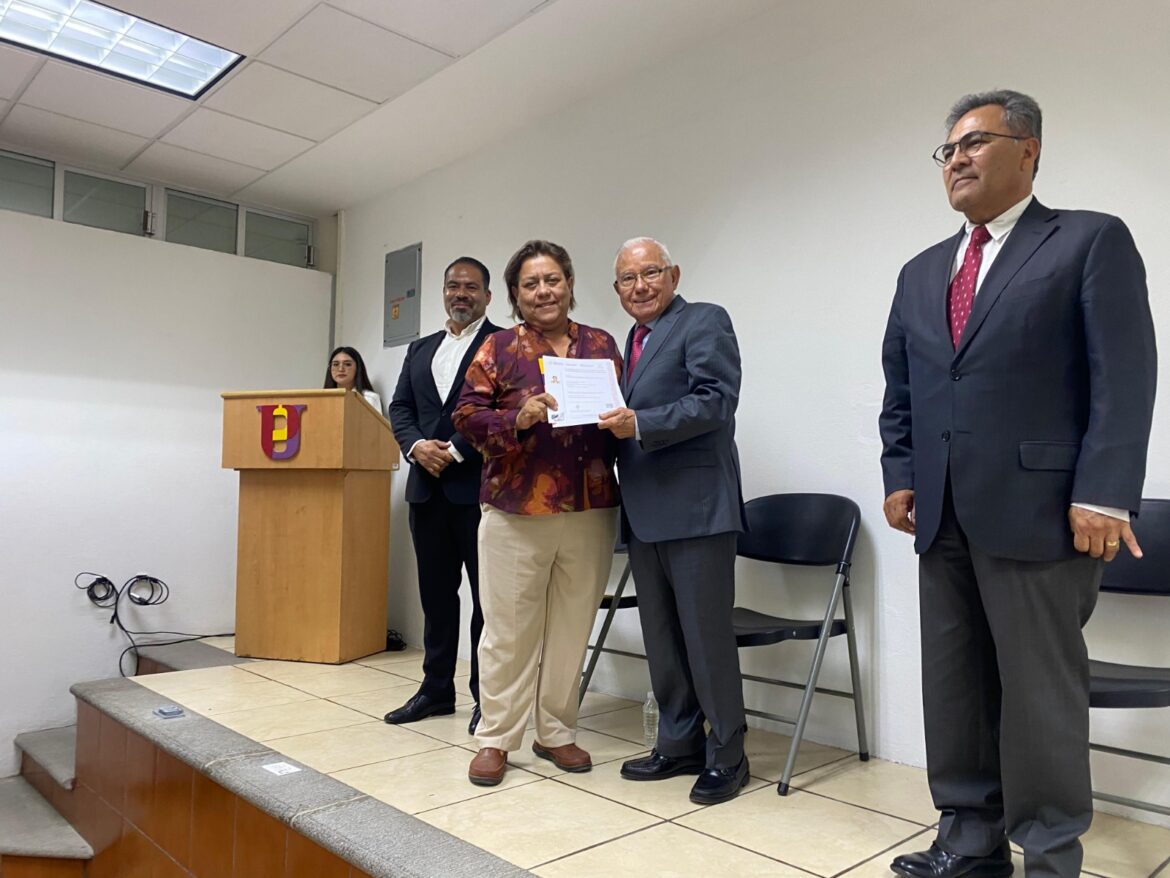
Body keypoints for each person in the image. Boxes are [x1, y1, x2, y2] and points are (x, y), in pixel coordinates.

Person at [879, 90, 1157, 878]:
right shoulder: (920, 271)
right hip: (941, 515)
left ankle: (1049, 854)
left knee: (1039, 695)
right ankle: (969, 841)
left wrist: (1103, 492)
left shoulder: (1088, 241)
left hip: (1043, 514)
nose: (956, 160)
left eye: (974, 143)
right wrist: (901, 473)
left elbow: (1124, 375)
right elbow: (903, 386)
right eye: (948, 150)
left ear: (1028, 150)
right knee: (955, 686)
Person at [453, 239, 621, 786]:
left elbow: (622, 412)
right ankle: (497, 738)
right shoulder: (498, 347)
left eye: (553, 280)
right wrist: (517, 418)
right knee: (508, 630)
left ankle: (556, 731)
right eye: (531, 284)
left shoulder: (601, 344)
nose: (544, 291)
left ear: (569, 284)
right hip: (515, 508)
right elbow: (465, 415)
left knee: (573, 627)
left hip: (591, 505)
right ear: (515, 295)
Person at [598, 237, 750, 806]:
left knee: (706, 639)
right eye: (627, 278)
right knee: (661, 639)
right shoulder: (630, 343)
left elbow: (717, 400)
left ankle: (728, 754)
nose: (639, 286)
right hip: (644, 512)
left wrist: (640, 423)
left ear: (674, 274)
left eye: (650, 272)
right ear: (617, 289)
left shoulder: (704, 320)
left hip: (697, 510)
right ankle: (679, 742)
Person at [384, 257, 501, 734]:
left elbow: (501, 410)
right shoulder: (420, 348)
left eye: (471, 287)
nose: (461, 294)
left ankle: (486, 698)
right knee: (435, 597)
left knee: (486, 601)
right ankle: (435, 690)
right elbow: (400, 407)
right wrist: (416, 447)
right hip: (426, 491)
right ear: (443, 292)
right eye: (453, 286)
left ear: (487, 296)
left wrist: (453, 450)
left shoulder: (502, 344)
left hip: (479, 491)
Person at [324, 346, 382, 413]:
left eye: (347, 364)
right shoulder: (321, 398)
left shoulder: (369, 398)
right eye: (336, 364)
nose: (341, 369)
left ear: (358, 368)